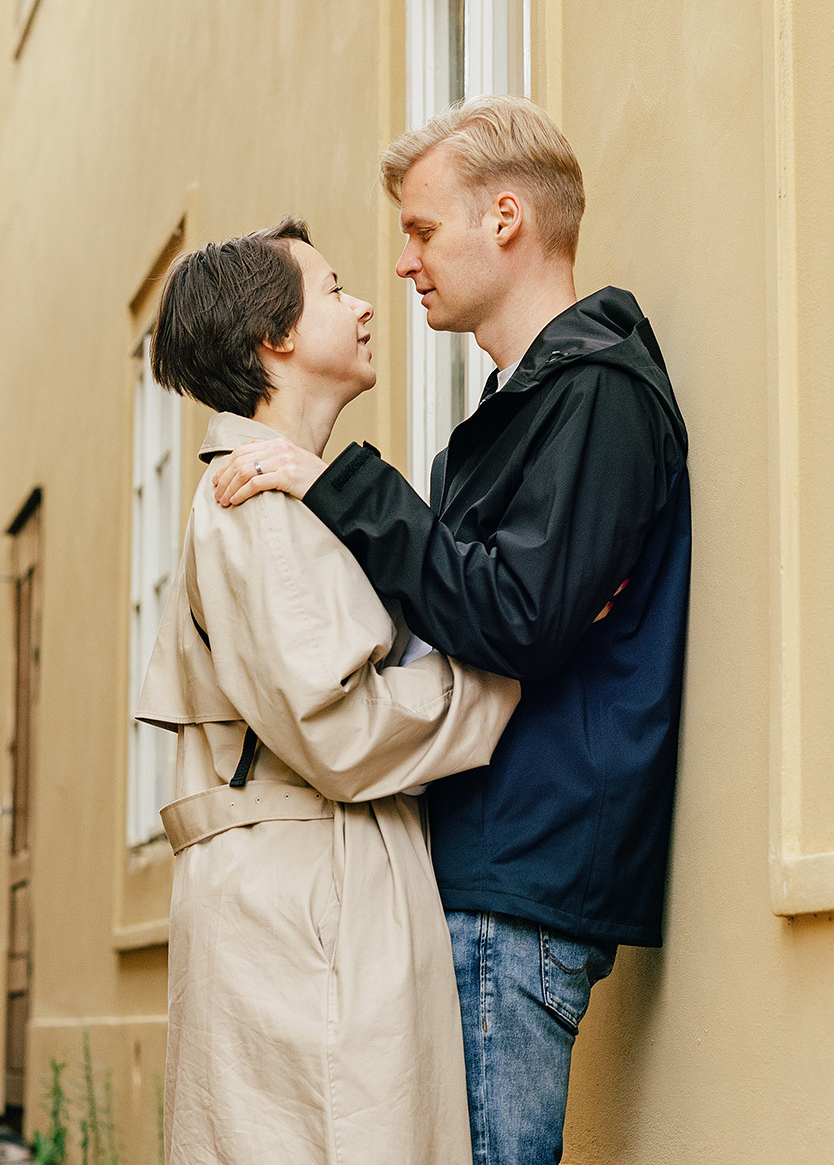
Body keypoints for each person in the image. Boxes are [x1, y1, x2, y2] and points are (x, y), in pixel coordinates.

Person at [212, 98, 691, 1165]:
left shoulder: (597, 395)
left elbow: (507, 619)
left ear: (506, 218)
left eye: (421, 231)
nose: (400, 264)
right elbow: (466, 612)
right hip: (479, 868)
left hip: (516, 882)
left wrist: (339, 486)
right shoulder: (517, 410)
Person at [136, 217, 521, 1164]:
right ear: (275, 338)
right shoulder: (252, 503)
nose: (362, 303)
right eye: (334, 287)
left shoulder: (286, 496)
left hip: (311, 896)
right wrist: (504, 672)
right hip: (307, 909)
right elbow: (339, 735)